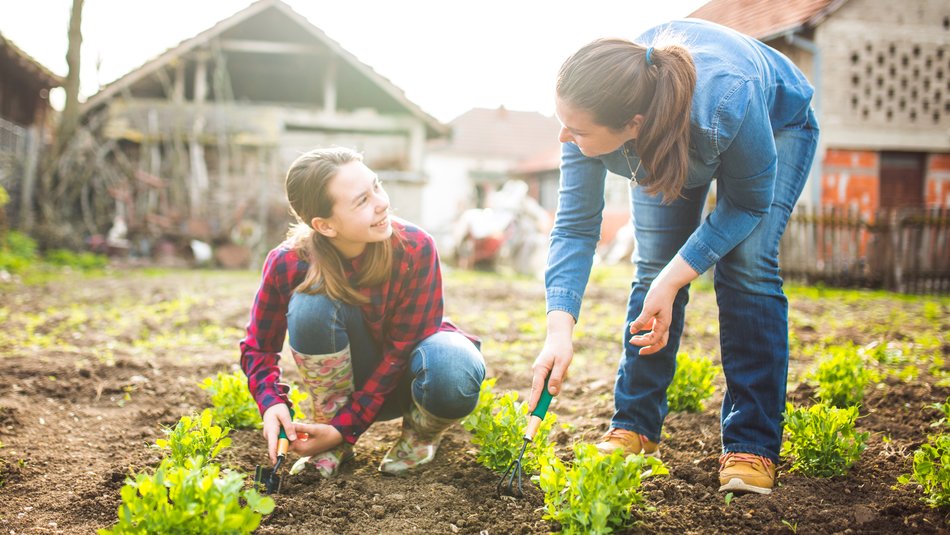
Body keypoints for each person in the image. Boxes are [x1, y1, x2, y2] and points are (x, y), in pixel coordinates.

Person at [528, 19, 819, 495]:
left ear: (632, 126)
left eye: (575, 129)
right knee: (653, 263)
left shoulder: (727, 100)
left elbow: (746, 205)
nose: (564, 137)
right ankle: (636, 426)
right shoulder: (591, 116)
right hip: (666, 128)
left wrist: (674, 281)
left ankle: (752, 443)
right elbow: (576, 227)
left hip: (776, 122)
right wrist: (558, 333)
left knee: (746, 266)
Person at [241, 146, 485, 478]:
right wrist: (271, 403)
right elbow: (259, 348)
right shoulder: (288, 263)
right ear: (325, 225)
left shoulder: (415, 248)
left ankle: (419, 437)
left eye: (377, 186)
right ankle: (330, 440)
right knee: (311, 303)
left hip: (410, 381)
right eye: (362, 201)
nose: (382, 202)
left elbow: (401, 351)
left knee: (454, 367)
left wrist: (346, 427)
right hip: (346, 387)